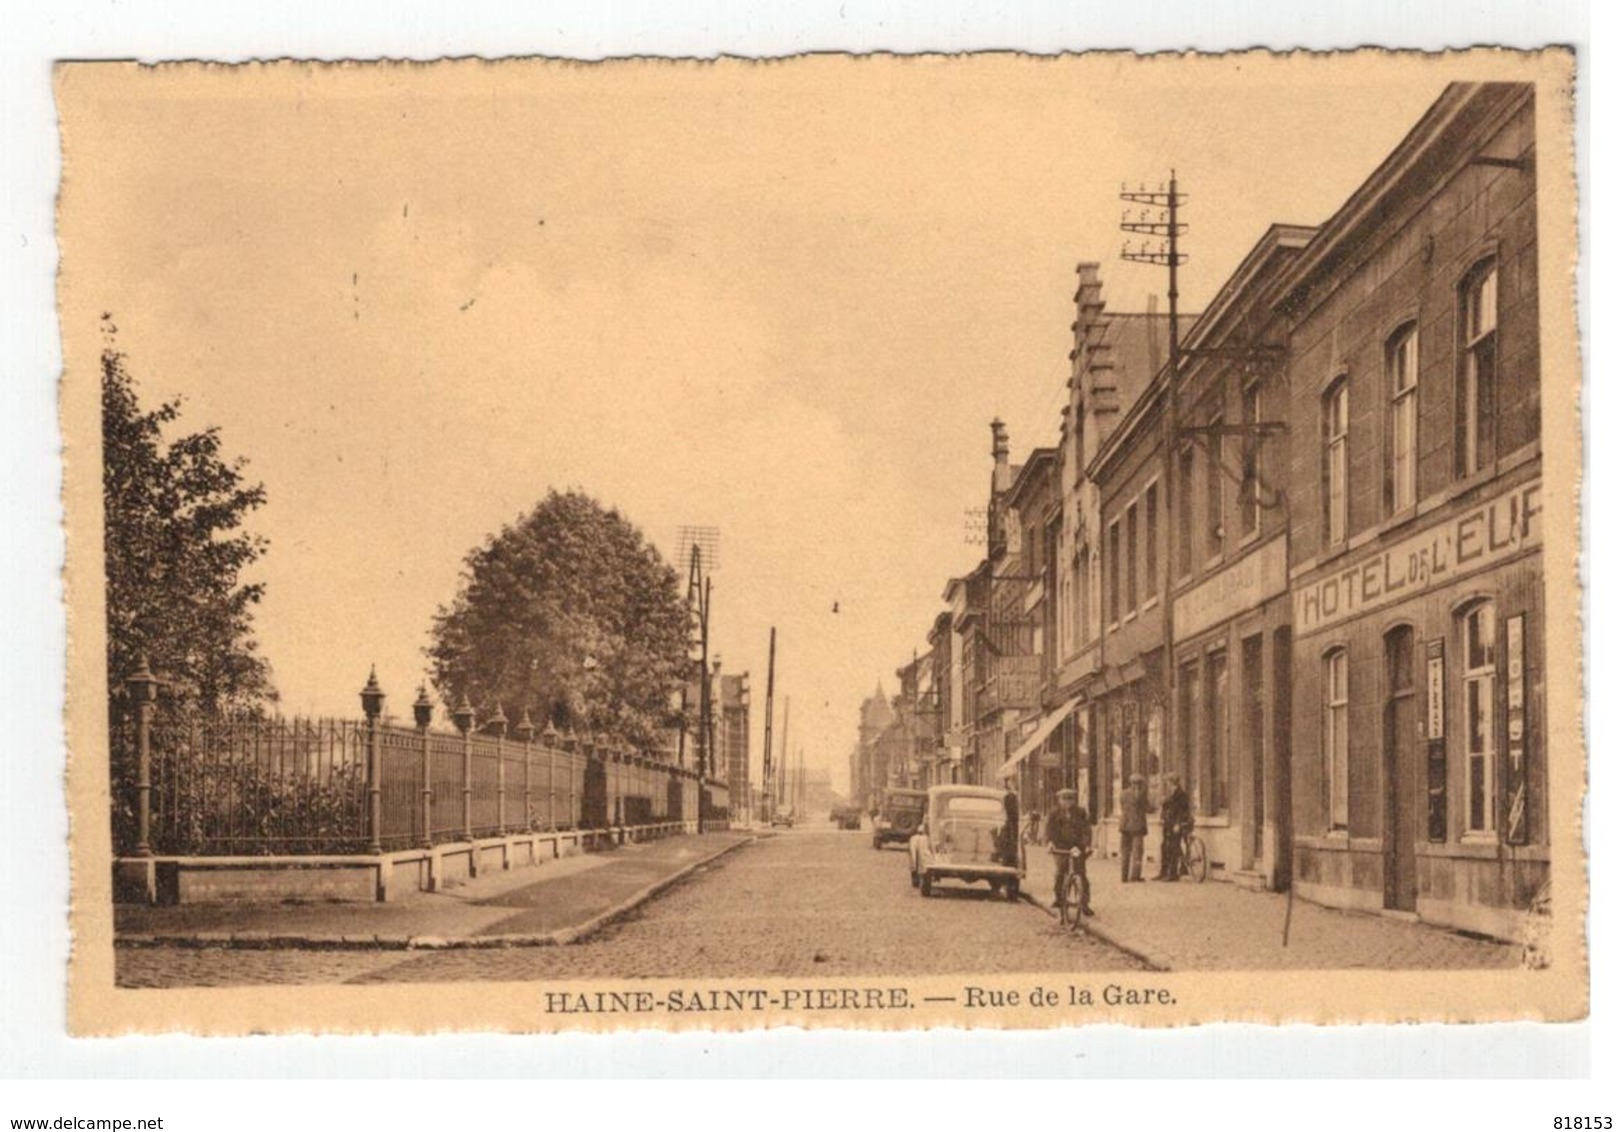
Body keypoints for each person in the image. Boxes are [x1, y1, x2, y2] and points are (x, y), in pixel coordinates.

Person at [1045, 786, 1093, 916]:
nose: (1067, 802)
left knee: (1081, 875)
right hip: (1060, 847)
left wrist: (1087, 845)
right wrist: (1050, 843)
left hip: (1077, 847)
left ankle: (1084, 904)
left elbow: (1086, 830)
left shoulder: (1081, 812)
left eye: (1070, 799)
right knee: (1061, 871)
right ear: (1059, 800)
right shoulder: (1054, 813)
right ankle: (1059, 899)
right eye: (1064, 799)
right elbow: (1049, 829)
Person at [1155, 773, 1192, 881]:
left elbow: (1183, 811)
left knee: (1173, 847)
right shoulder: (1169, 794)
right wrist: (1162, 818)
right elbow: (1166, 808)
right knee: (1164, 846)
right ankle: (1163, 872)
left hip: (1176, 824)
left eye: (1168, 782)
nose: (1167, 785)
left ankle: (1173, 873)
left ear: (1172, 782)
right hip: (1168, 823)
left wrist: (1178, 823)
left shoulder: (1181, 794)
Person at [1118, 772, 1150, 883]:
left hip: (1124, 825)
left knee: (1125, 852)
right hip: (1137, 827)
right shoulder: (1140, 794)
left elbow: (1123, 806)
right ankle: (1135, 876)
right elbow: (1148, 807)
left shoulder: (1123, 793)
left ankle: (1124, 876)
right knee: (1137, 852)